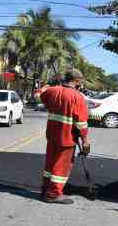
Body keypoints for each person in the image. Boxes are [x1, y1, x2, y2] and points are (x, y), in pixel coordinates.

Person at [38, 68, 91, 204]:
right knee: (61, 166)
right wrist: (85, 140)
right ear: (76, 81)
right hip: (67, 137)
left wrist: (45, 88)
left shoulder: (52, 91)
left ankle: (45, 189)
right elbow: (81, 123)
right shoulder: (77, 97)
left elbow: (40, 96)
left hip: (52, 134)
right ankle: (54, 193)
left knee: (50, 164)